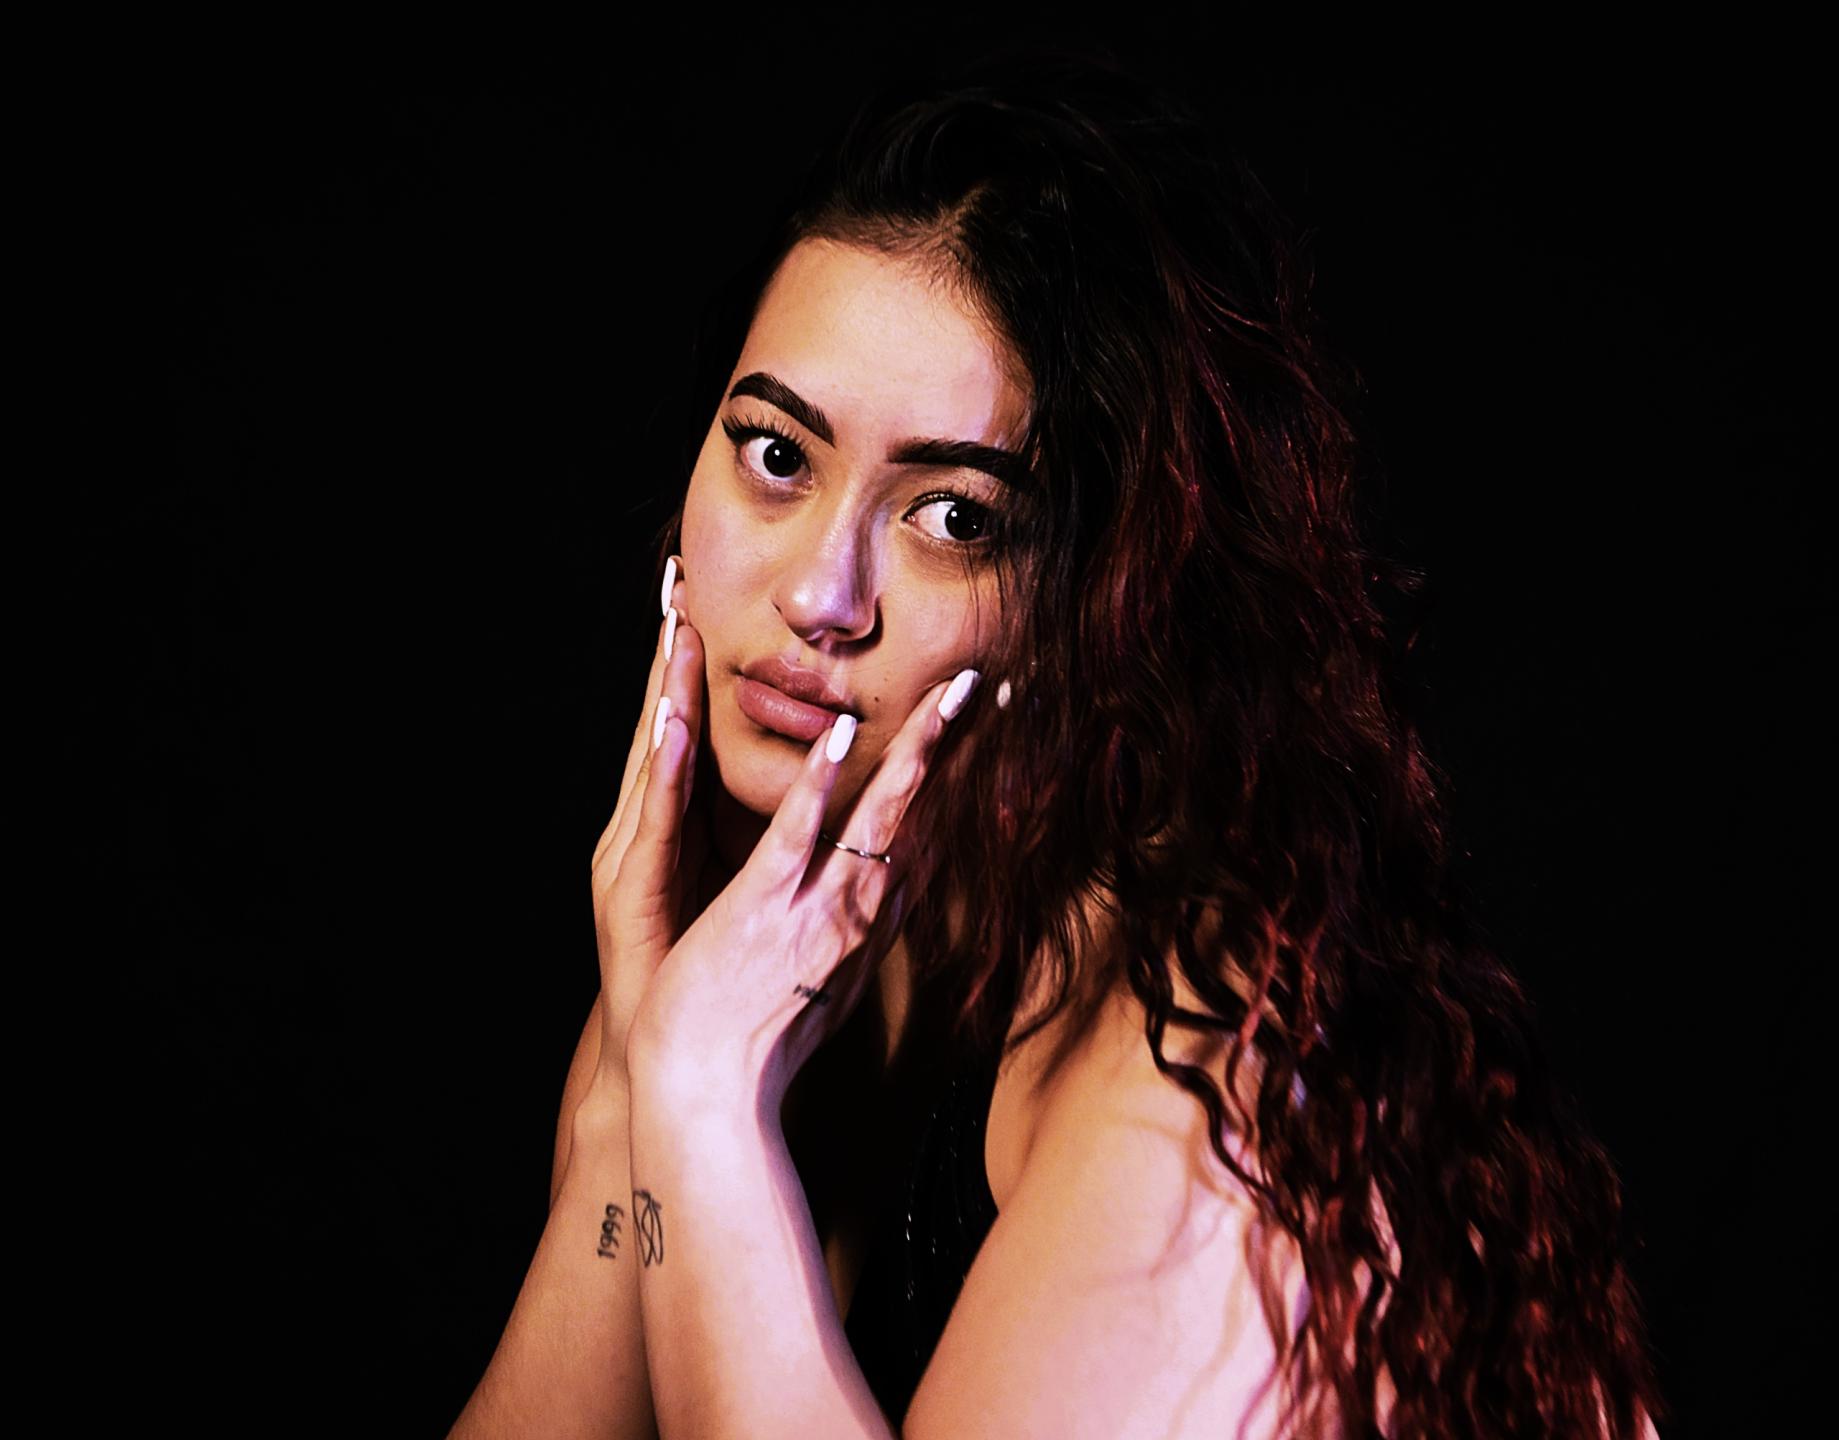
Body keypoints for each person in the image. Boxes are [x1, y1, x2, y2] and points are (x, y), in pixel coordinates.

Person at [451, 46, 1668, 1439]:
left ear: (1107, 597)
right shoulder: (743, 970)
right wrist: (640, 1077)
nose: (820, 595)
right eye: (777, 454)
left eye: (955, 518)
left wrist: (704, 1104)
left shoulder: (1186, 1048)